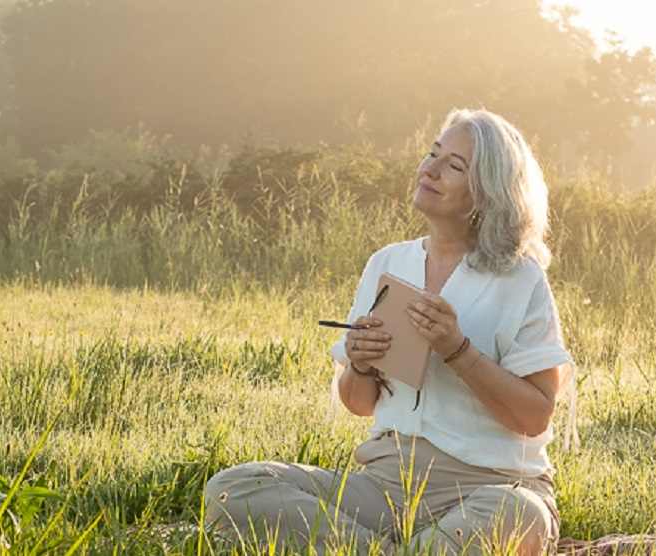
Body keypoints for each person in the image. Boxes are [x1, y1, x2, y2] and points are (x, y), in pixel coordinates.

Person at [203, 108, 572, 555]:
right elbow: (359, 403)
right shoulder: (387, 263)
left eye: (454, 166)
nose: (430, 170)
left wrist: (458, 351)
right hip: (384, 488)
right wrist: (359, 363)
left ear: (487, 194)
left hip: (488, 489)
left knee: (521, 515)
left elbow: (535, 416)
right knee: (233, 489)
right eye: (432, 155)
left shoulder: (520, 278)